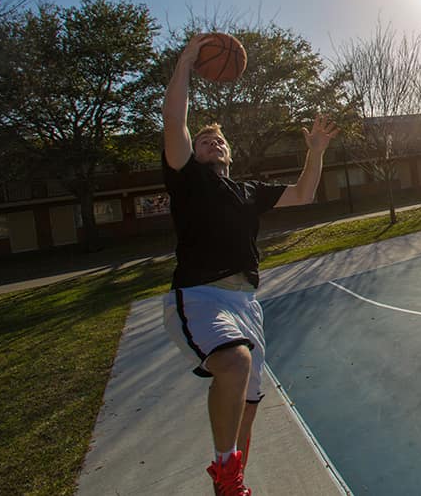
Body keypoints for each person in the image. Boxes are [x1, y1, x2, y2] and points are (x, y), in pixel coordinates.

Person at [161, 34, 339, 496]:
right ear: (192, 152)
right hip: (200, 296)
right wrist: (185, 62)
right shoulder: (187, 179)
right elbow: (174, 119)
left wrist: (315, 151)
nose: (209, 143)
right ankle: (224, 471)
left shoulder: (246, 192)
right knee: (235, 364)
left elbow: (304, 193)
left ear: (229, 151)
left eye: (217, 139)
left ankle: (232, 483)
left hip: (246, 303)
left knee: (249, 405)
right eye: (202, 140)